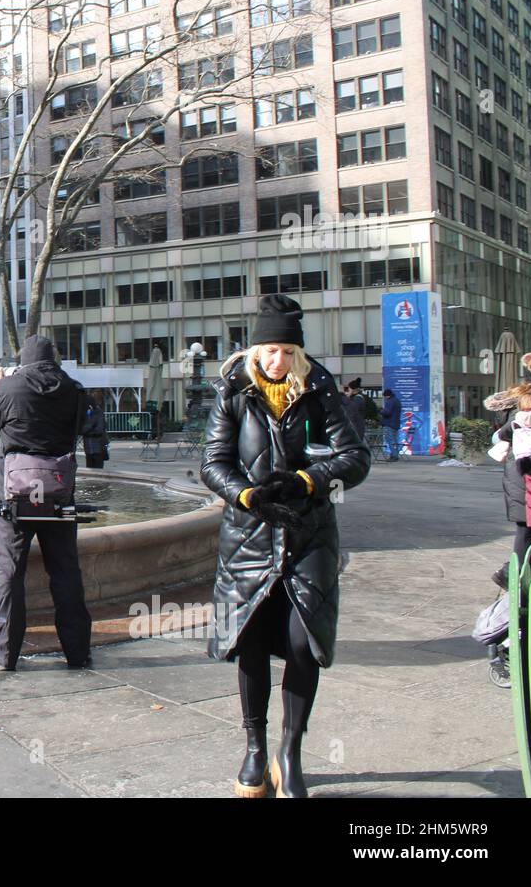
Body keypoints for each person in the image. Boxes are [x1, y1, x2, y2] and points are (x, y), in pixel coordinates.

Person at [201, 295, 371, 798]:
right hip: (248, 538)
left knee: (304, 644)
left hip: (309, 535)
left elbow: (355, 458)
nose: (278, 361)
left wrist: (306, 481)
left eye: (287, 352)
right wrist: (247, 493)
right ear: (257, 350)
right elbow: (213, 462)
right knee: (250, 643)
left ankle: (289, 752)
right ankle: (255, 748)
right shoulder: (234, 391)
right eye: (271, 350)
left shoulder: (320, 391)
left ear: (299, 354)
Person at [0, 335, 92, 672]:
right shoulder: (74, 389)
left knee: (9, 572)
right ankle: (78, 652)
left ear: (23, 360)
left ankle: (4, 652)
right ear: (53, 359)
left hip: (14, 497)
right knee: (66, 572)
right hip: (58, 493)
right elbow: (83, 426)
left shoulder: (9, 387)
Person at [486, 353, 531, 588]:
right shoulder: (525, 413)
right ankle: (513, 576)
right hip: (526, 481)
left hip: (522, 480)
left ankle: (513, 575)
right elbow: (500, 435)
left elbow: (498, 435)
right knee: (527, 531)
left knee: (527, 532)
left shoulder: (523, 410)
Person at [82, 397, 109, 468]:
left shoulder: (98, 412)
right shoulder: (84, 413)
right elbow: (81, 430)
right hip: (88, 448)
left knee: (98, 470)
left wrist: (87, 429)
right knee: (90, 469)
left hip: (98, 447)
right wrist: (90, 427)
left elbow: (99, 430)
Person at [379, 388, 403, 460]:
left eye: (385, 397)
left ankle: (394, 455)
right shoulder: (397, 401)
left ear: (387, 396)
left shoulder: (390, 401)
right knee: (394, 440)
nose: (385, 398)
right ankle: (395, 454)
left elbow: (387, 412)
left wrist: (381, 411)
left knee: (390, 440)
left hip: (389, 423)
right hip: (396, 424)